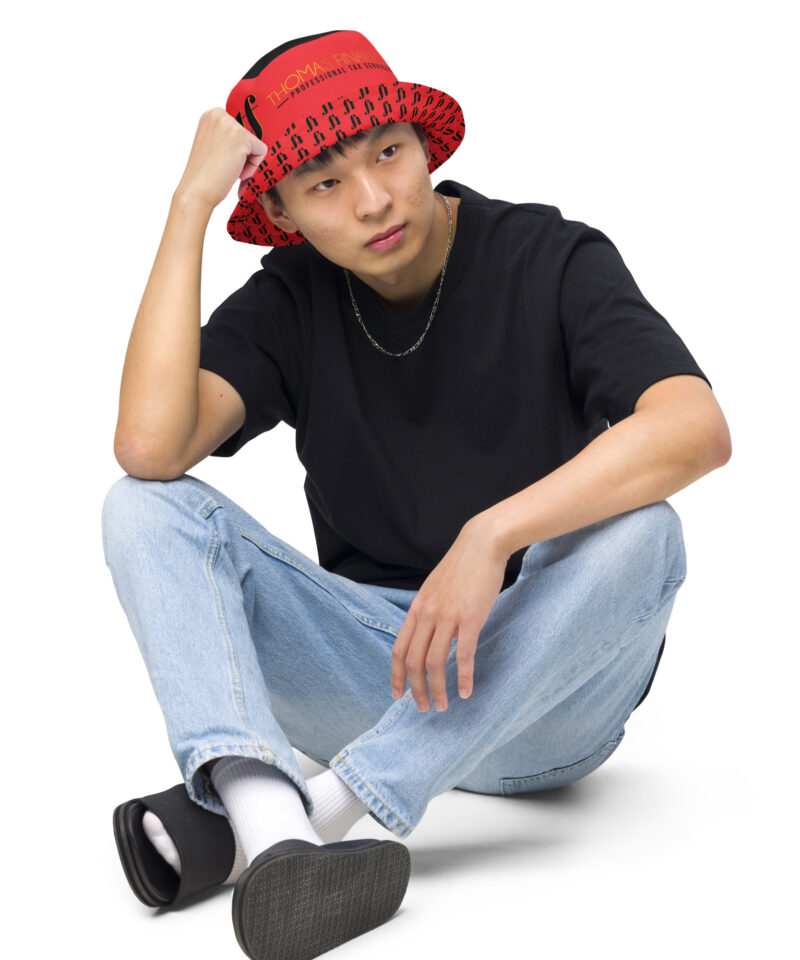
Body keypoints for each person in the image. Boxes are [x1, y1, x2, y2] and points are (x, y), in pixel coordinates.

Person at [101, 28, 731, 960]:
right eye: (323, 184)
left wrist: (491, 537)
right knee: (141, 507)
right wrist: (189, 203)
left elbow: (696, 426)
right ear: (280, 210)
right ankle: (276, 839)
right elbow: (150, 448)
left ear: (423, 144)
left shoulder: (547, 257)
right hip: (381, 675)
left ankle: (312, 808)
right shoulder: (291, 300)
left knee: (646, 532)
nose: (374, 199)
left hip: (548, 696)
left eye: (388, 153)